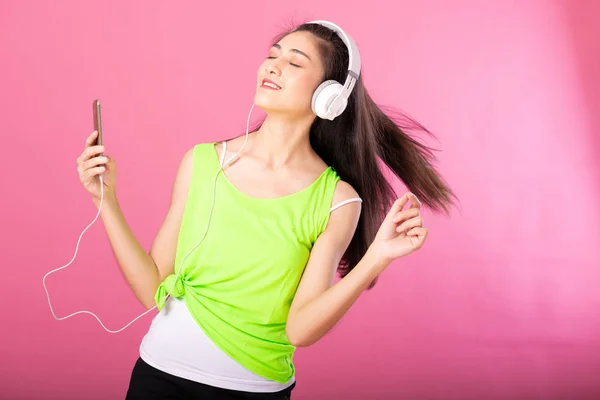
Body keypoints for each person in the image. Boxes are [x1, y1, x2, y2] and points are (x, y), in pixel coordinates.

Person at [75, 21, 455, 399]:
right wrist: (104, 200)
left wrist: (376, 258)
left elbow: (300, 331)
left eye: (294, 62)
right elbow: (151, 288)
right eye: (272, 56)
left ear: (330, 96)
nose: (272, 66)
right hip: (158, 377)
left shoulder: (338, 200)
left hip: (253, 392)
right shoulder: (203, 162)